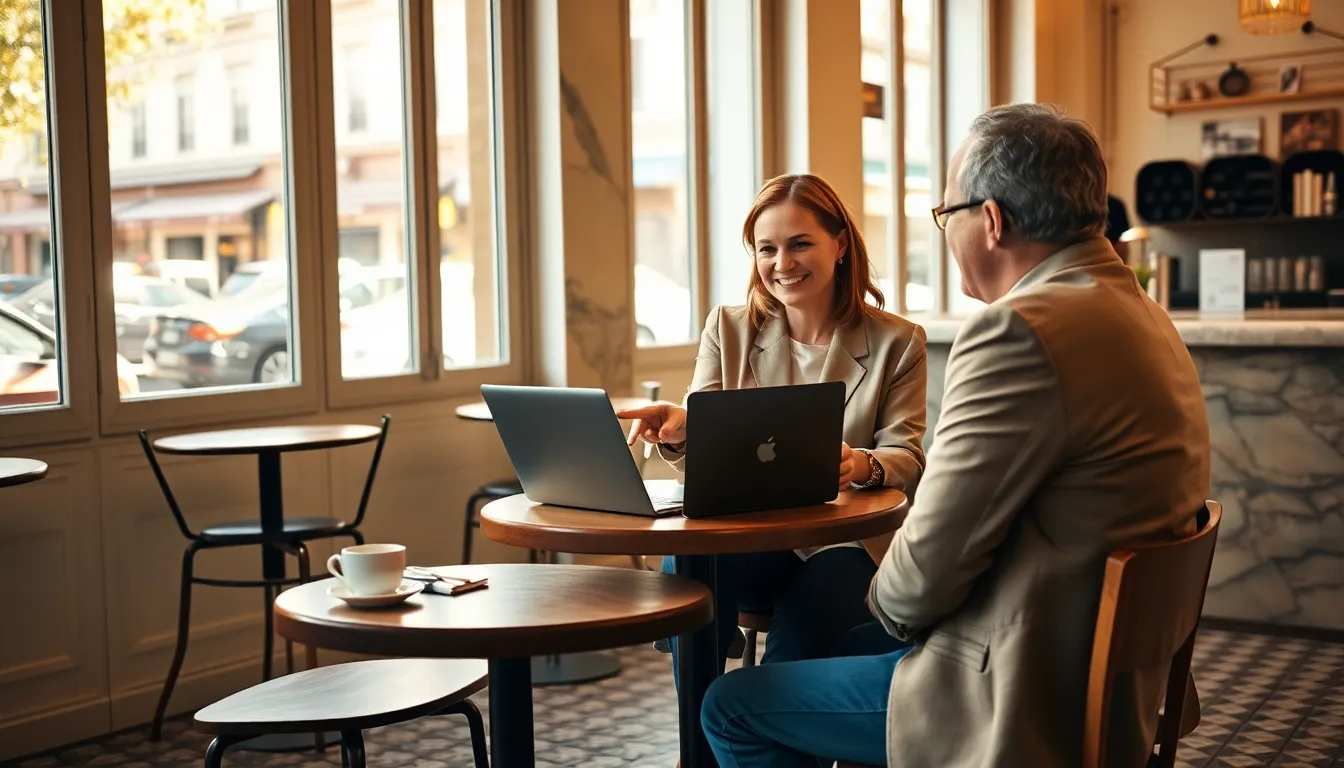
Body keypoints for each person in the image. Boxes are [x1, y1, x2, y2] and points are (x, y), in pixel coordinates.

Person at [696, 103, 1211, 768]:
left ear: (990, 220)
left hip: (1013, 681)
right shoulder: (1140, 312)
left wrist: (889, 600)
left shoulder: (1019, 330)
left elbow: (916, 588)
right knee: (824, 641)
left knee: (731, 706)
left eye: (946, 215)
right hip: (1105, 669)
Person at [617, 173, 926, 683]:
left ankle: (757, 737)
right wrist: (682, 430)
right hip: (750, 541)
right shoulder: (729, 328)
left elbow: (907, 457)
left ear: (841, 244)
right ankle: (701, 749)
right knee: (688, 566)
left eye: (800, 244)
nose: (782, 264)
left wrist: (863, 464)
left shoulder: (898, 341)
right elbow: (709, 447)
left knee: (803, 635)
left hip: (844, 544)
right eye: (767, 249)